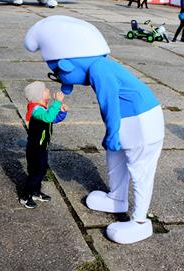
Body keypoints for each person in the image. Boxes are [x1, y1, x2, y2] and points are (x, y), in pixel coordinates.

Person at [25, 15, 164, 244]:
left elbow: (110, 102)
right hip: (128, 121)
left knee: (140, 170)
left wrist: (111, 132)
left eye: (57, 72)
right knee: (115, 159)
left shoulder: (101, 70)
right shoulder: (99, 65)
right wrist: (67, 85)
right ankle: (117, 198)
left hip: (141, 122)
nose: (58, 76)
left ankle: (140, 222)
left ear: (66, 64)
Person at [20, 81, 68, 209]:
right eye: (46, 89)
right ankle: (25, 196)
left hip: (42, 147)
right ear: (39, 95)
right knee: (35, 173)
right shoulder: (36, 110)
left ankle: (35, 192)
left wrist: (62, 112)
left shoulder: (43, 108)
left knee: (41, 171)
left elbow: (52, 118)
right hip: (35, 148)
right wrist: (57, 102)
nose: (48, 90)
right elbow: (47, 118)